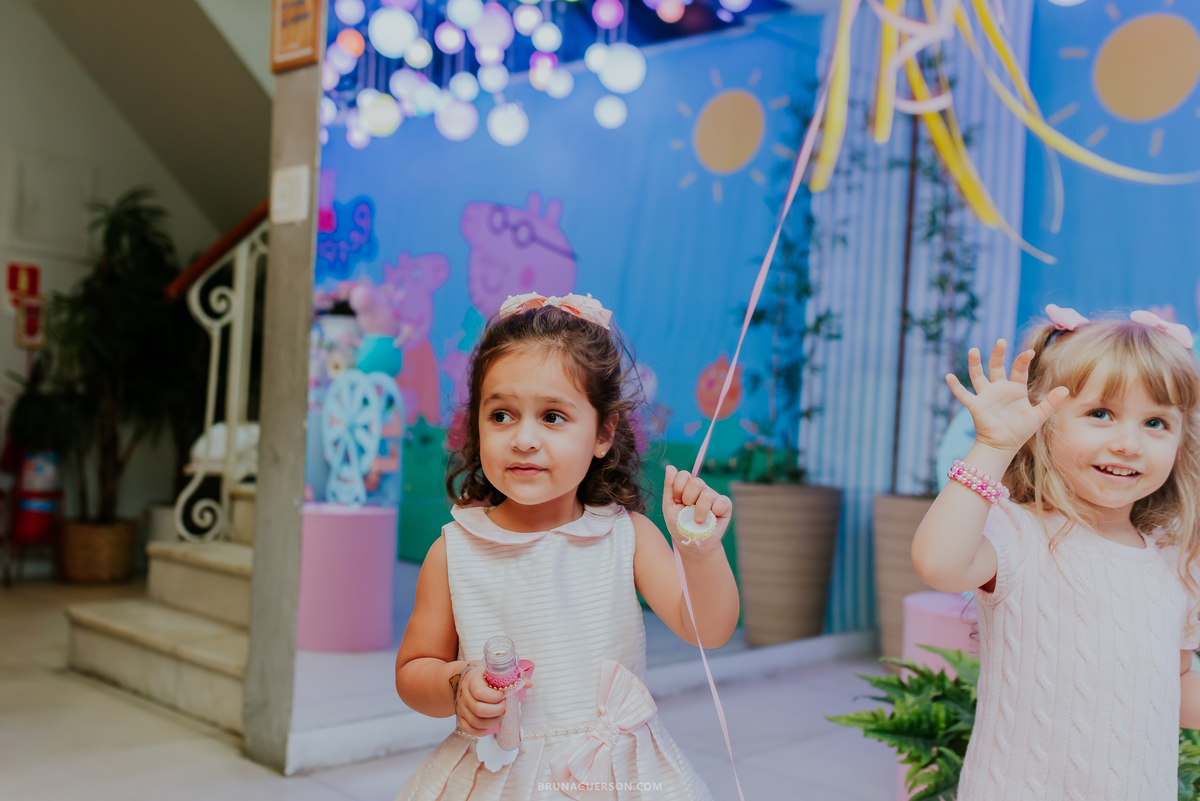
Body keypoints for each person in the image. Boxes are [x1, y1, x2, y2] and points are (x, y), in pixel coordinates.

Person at [393, 293, 738, 800]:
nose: (524, 439)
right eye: (502, 416)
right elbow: (413, 670)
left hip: (612, 775)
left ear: (602, 433)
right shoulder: (454, 552)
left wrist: (701, 552)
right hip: (500, 773)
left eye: (552, 417)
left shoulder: (628, 537)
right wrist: (455, 683)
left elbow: (708, 629)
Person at [912, 305, 1200, 800]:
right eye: (1100, 414)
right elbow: (939, 564)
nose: (1128, 443)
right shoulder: (1016, 532)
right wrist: (993, 446)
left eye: (1156, 422)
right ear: (1041, 423)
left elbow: (1175, 687)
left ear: (1181, 442)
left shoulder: (1175, 561)